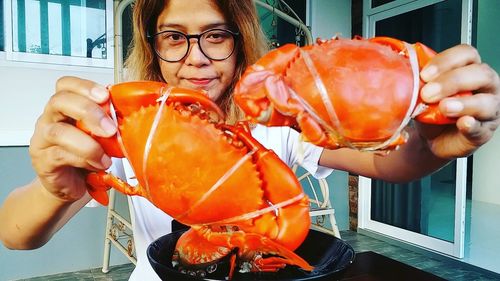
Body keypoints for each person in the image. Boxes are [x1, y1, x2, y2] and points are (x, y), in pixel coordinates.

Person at [0, 0, 499, 280]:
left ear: (240, 42)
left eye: (215, 35)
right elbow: (17, 235)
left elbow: (389, 165)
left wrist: (428, 146)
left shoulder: (278, 124)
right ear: (153, 46)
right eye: (174, 36)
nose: (196, 57)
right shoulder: (128, 126)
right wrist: (53, 184)